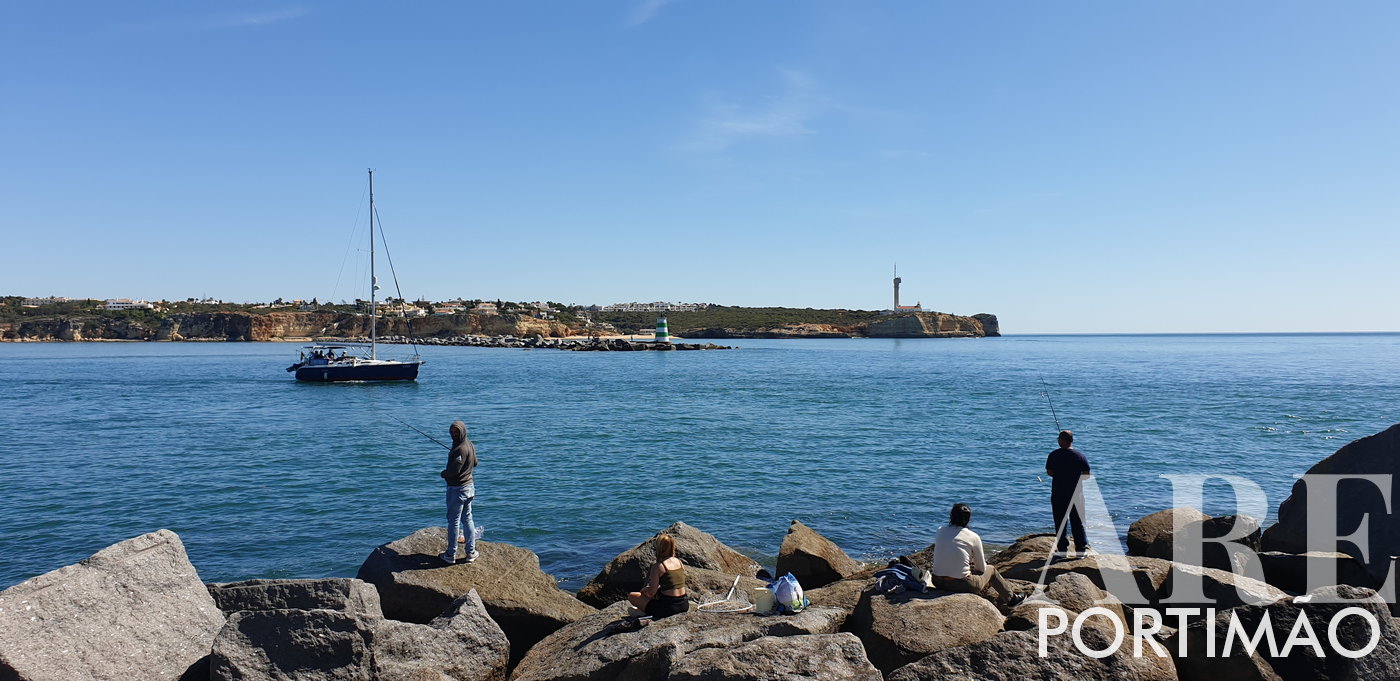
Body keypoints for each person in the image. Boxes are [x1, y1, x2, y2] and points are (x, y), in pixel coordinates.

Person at [930, 503, 1025, 607]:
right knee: (991, 569)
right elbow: (981, 568)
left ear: (951, 516)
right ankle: (1011, 599)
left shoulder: (940, 530)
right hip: (961, 585)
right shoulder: (973, 536)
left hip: (937, 581)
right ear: (968, 519)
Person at [1045, 430, 1092, 557]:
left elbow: (1049, 472)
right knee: (1078, 522)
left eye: (1059, 439)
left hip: (1058, 493)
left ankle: (1062, 550)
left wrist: (1061, 476)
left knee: (1060, 522)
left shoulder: (1053, 455)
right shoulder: (1080, 455)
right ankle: (1081, 550)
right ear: (1072, 440)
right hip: (1077, 494)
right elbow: (1087, 475)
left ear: (1061, 440)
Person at [438, 421, 479, 565]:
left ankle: (451, 554)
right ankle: (471, 553)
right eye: (452, 432)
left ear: (462, 432)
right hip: (469, 487)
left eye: (456, 432)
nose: (453, 435)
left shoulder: (460, 449)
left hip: (457, 490)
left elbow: (453, 472)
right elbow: (475, 463)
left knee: (454, 521)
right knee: (467, 519)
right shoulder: (469, 445)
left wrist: (443, 474)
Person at [626, 534, 689, 619]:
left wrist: (646, 589)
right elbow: (671, 585)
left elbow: (652, 592)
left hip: (669, 609)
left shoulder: (658, 566)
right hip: (684, 605)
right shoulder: (679, 562)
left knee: (632, 596)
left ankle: (643, 612)